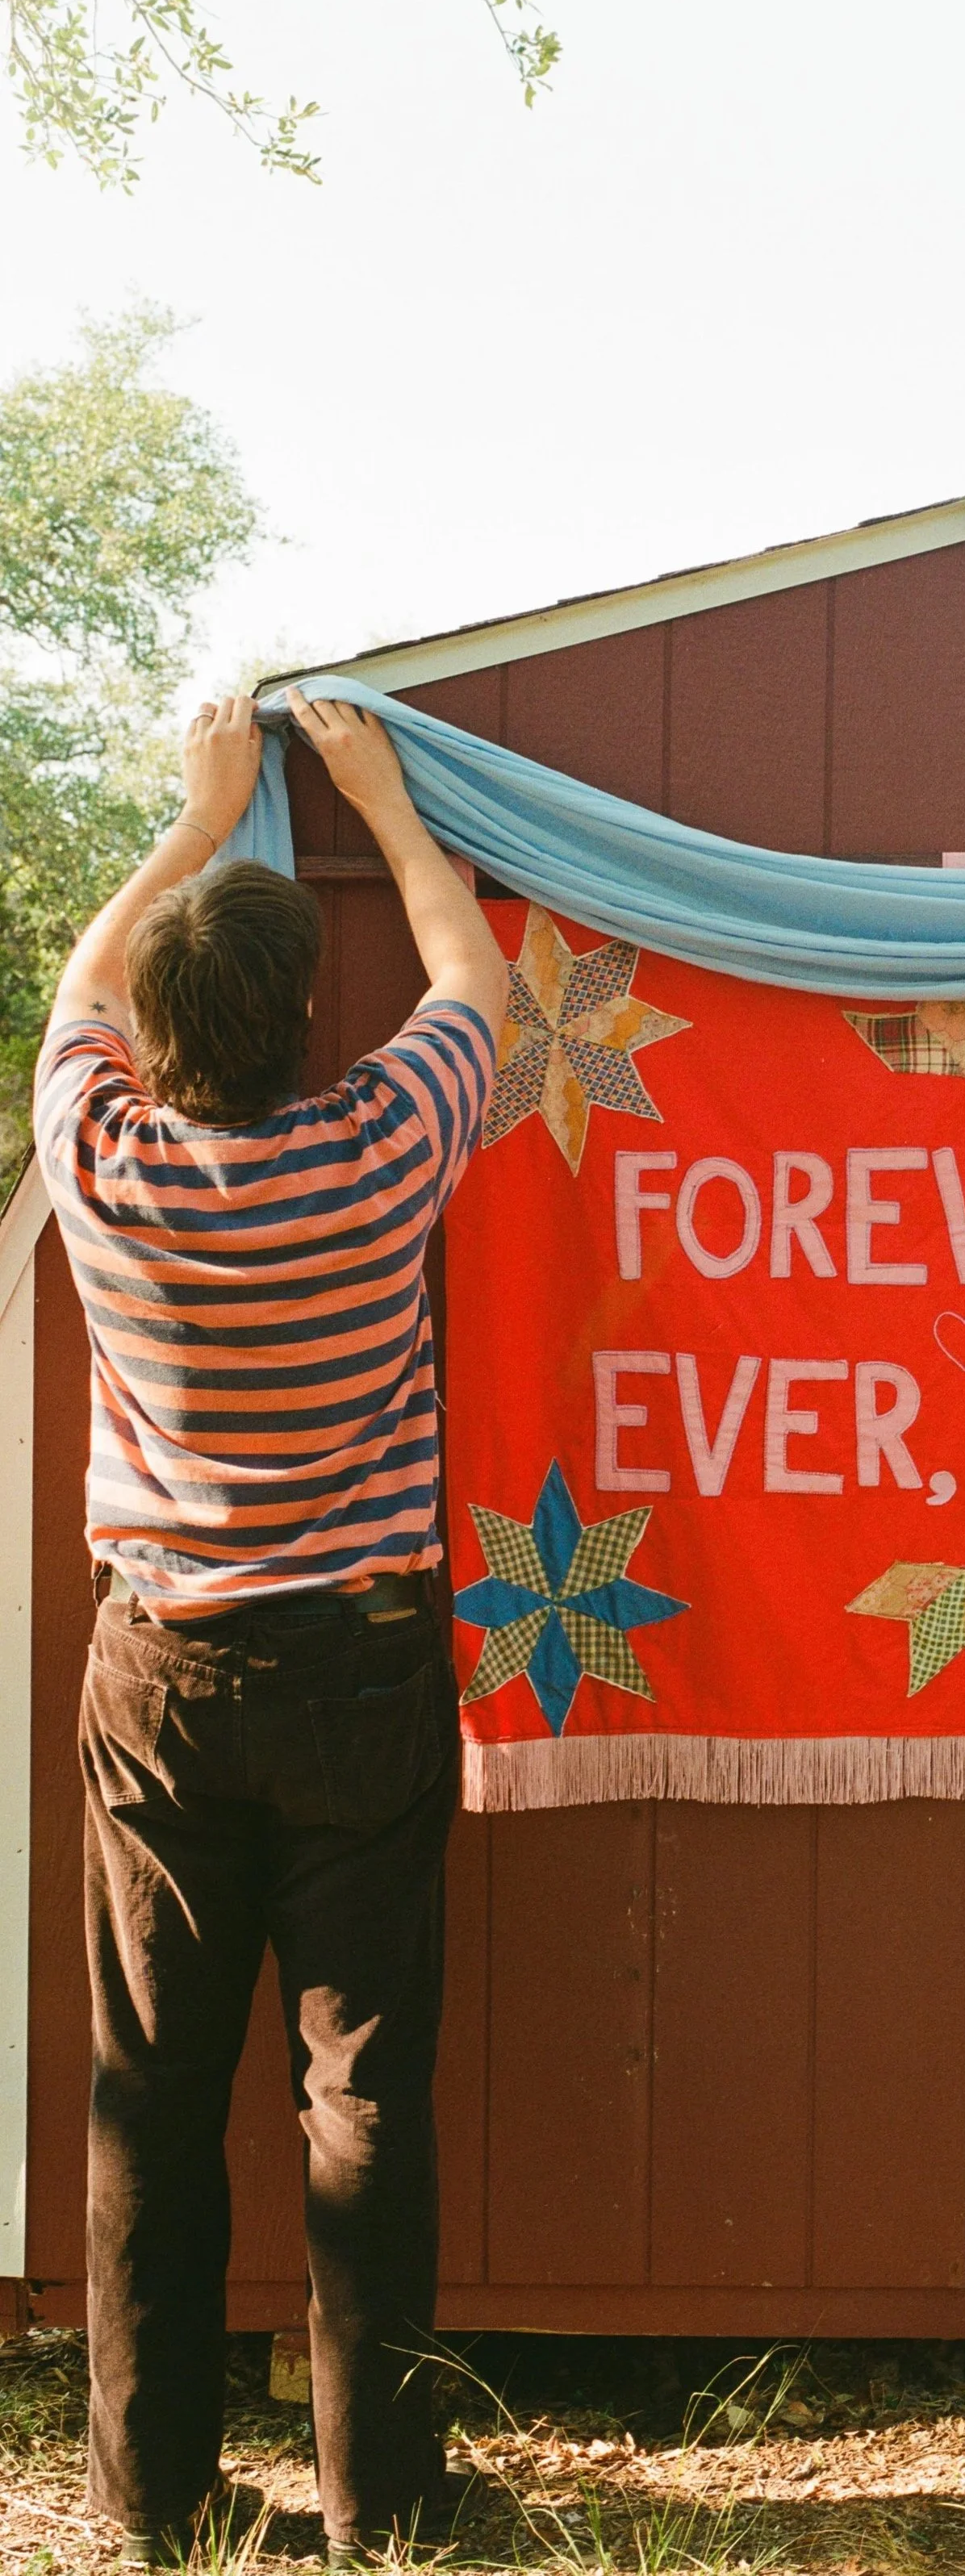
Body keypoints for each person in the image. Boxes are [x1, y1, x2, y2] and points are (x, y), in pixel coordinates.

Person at [32, 692, 508, 2566]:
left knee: (151, 2092)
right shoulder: (382, 1150)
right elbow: (469, 973)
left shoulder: (107, 1169)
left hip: (164, 1676)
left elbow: (75, 989)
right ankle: (381, 2506)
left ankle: (154, 2505)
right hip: (359, 1665)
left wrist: (193, 816)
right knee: (364, 2090)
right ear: (311, 1022)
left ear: (157, 1034)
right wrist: (385, 806)